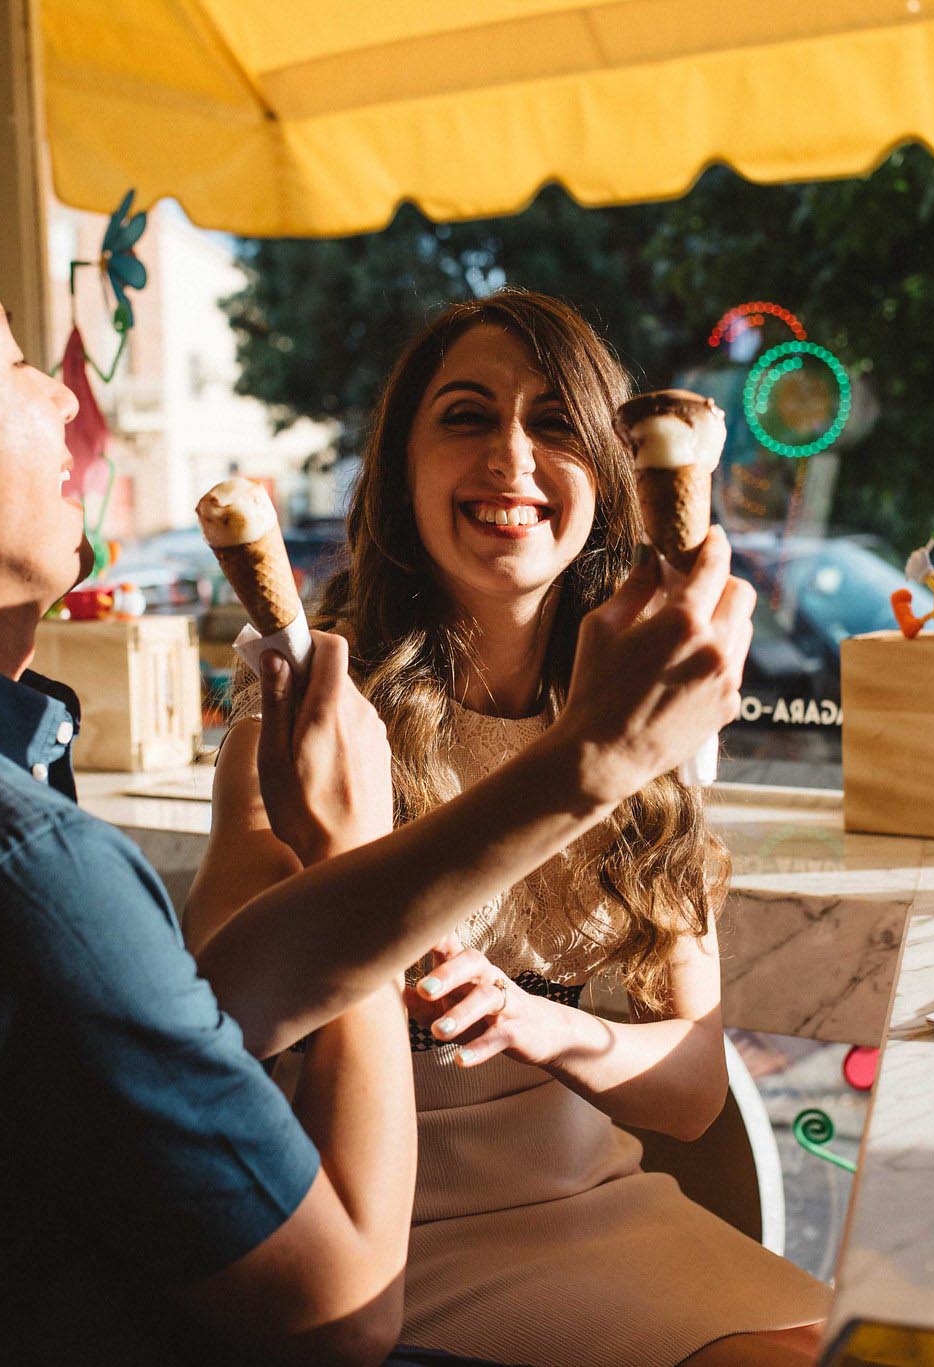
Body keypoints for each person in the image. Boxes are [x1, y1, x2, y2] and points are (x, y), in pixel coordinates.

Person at [0, 192, 754, 1366]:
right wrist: (557, 774)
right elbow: (343, 1313)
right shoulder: (19, 866)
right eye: (12, 361)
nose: (64, 394)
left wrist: (561, 784)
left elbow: (221, 1010)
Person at [186, 291, 828, 1367]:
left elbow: (689, 1086)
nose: (511, 458)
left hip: (592, 1210)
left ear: (610, 471)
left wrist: (539, 1025)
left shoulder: (641, 709)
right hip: (372, 1246)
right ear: (399, 468)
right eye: (467, 416)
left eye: (555, 423)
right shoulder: (316, 710)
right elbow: (214, 1014)